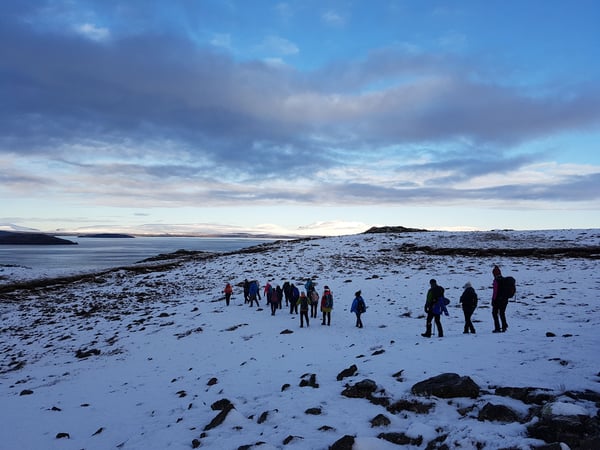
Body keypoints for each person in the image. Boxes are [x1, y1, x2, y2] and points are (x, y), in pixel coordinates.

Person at [492, 265, 509, 333]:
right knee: (502, 313)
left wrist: (493, 300)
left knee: (494, 313)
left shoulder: (496, 281)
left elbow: (495, 292)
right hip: (505, 300)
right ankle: (504, 326)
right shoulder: (504, 280)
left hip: (497, 300)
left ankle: (497, 328)